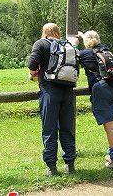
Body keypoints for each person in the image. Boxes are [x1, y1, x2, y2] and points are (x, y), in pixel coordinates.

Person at [28, 23, 77, 176]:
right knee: (67, 129)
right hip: (68, 91)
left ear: (44, 32)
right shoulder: (67, 45)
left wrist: (33, 74)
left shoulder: (41, 43)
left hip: (49, 90)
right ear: (57, 32)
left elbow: (32, 64)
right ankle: (70, 165)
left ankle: (51, 167)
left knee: (49, 129)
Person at [76, 30, 113, 169]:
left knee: (109, 127)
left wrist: (78, 42)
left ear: (86, 42)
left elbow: (74, 55)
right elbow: (94, 42)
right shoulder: (107, 50)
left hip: (103, 88)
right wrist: (84, 36)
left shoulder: (84, 54)